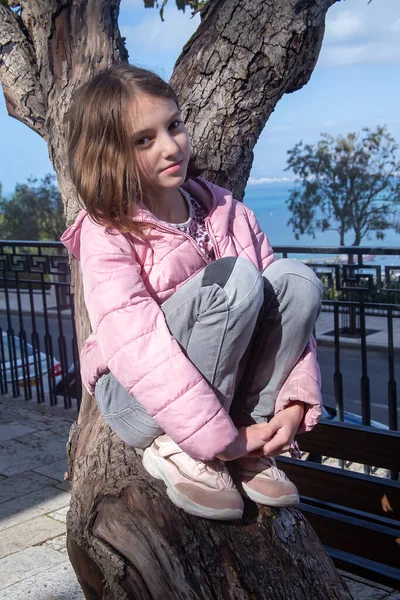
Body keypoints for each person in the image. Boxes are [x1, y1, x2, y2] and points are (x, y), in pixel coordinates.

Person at [61, 64, 323, 521]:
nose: (169, 146)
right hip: (136, 398)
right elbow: (137, 344)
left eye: (174, 125)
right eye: (144, 140)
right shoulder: (107, 232)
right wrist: (215, 440)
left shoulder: (228, 211)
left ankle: (249, 437)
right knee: (235, 279)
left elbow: (284, 317)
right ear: (109, 155)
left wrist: (296, 402)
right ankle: (185, 449)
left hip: (216, 403)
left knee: (296, 279)